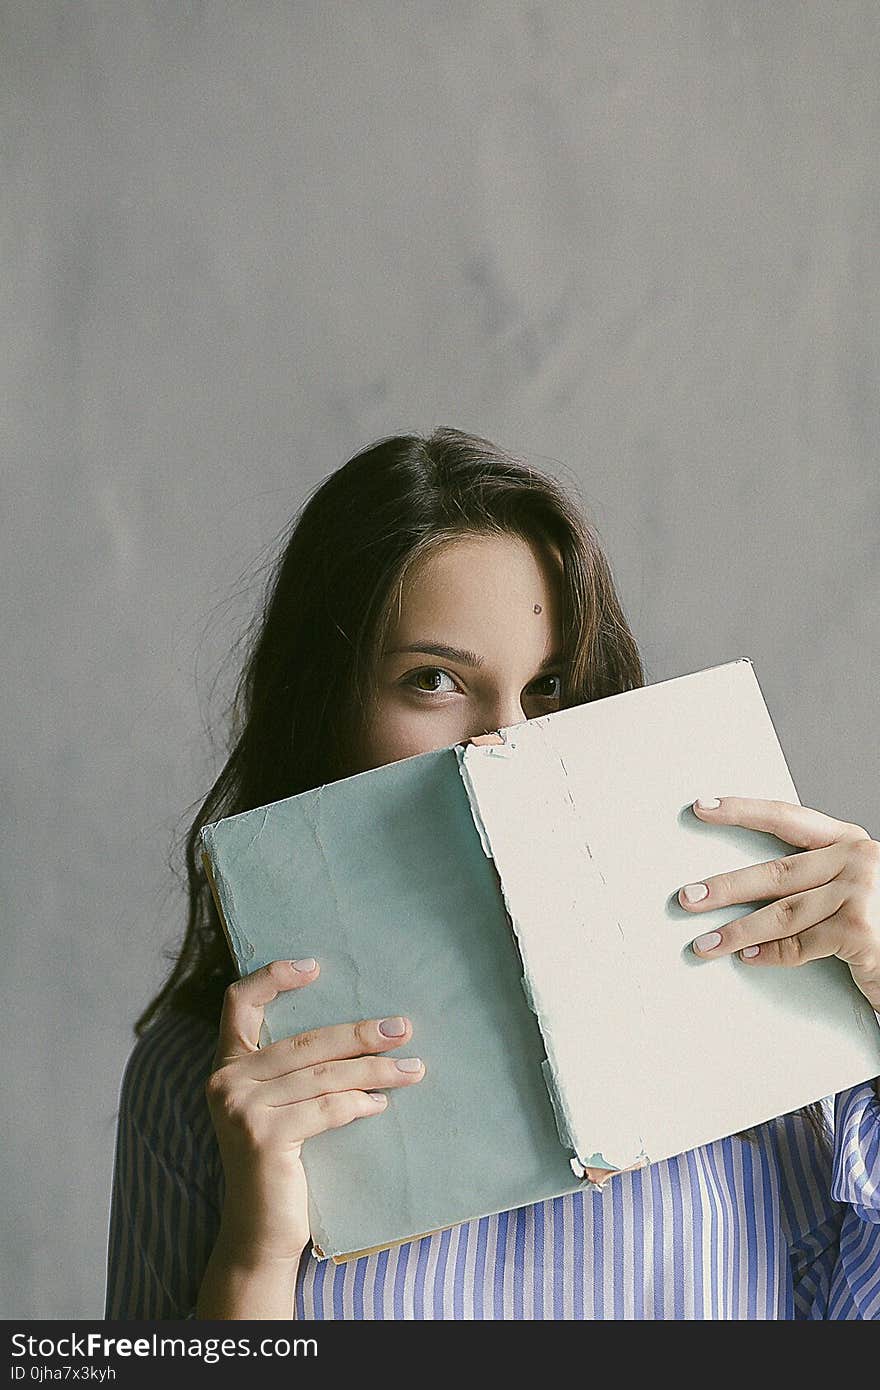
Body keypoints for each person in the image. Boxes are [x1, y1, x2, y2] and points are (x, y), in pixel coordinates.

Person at [105, 427, 880, 1320]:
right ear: (328, 702)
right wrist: (257, 1258)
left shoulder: (760, 1009)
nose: (506, 741)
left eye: (549, 686)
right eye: (433, 679)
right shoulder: (199, 1078)